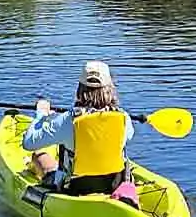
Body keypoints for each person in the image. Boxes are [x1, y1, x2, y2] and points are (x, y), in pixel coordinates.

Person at [24, 61, 135, 196]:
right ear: (110, 88)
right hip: (112, 185)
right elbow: (127, 136)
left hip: (74, 188)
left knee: (39, 155)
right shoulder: (124, 118)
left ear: (80, 88)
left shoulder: (68, 119)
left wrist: (41, 114)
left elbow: (29, 143)